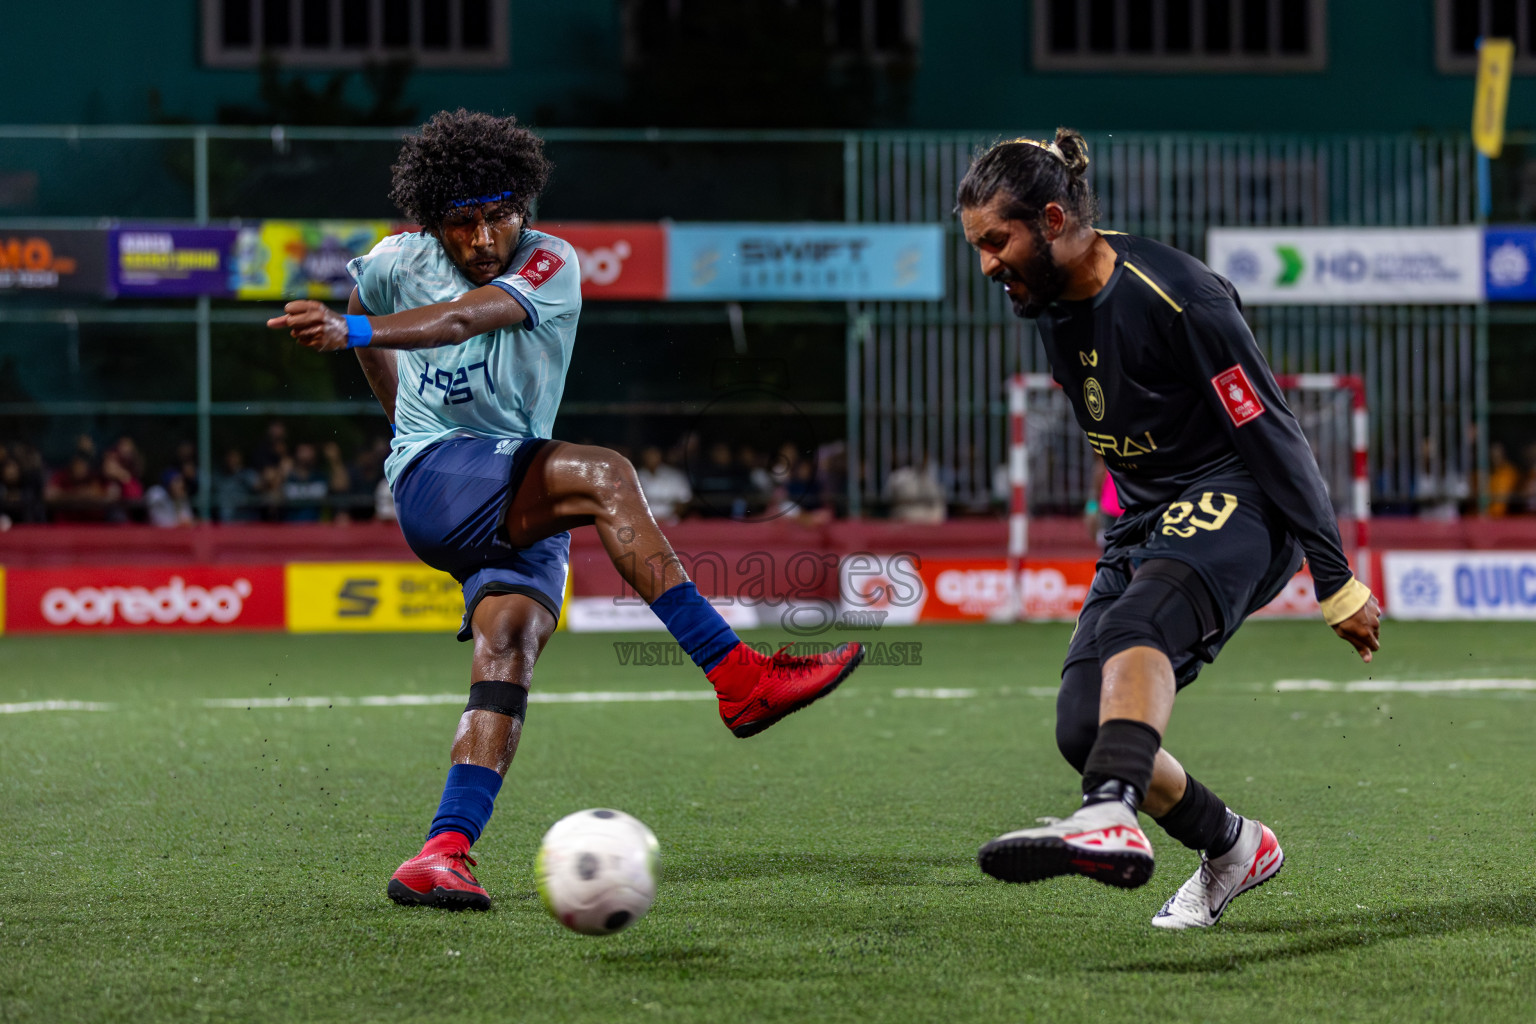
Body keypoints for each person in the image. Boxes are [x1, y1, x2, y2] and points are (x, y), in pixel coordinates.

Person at [266, 109, 862, 913]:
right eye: (463, 223)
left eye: (499, 215)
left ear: (526, 207)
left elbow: (462, 318)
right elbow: (369, 308)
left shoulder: (551, 263)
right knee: (609, 476)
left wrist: (355, 330)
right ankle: (736, 676)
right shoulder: (394, 262)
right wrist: (402, 420)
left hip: (512, 483)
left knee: (507, 651)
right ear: (433, 221)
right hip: (441, 477)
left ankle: (442, 851)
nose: (483, 238)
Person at [956, 130, 1380, 929]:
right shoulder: (1046, 308)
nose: (986, 265)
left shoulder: (1182, 295)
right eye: (976, 245)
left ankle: (1106, 809)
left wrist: (1335, 575)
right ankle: (1232, 845)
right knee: (1086, 724)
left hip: (1239, 499)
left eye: (995, 241)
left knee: (1138, 628)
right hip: (1143, 521)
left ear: (1052, 219)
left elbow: (1275, 434)